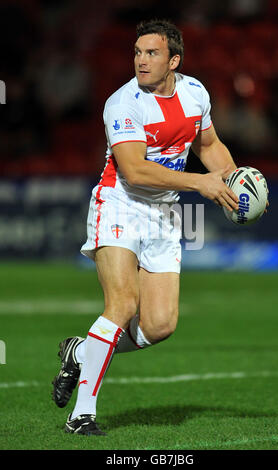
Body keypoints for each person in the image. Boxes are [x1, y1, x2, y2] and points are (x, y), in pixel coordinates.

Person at [52, 19, 239, 435]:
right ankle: (82, 415)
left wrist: (233, 181)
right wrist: (201, 184)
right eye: (137, 52)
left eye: (152, 53)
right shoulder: (124, 103)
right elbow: (135, 171)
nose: (141, 60)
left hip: (165, 213)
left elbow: (208, 146)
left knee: (159, 325)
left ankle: (81, 353)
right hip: (120, 203)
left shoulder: (194, 93)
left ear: (174, 60)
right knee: (122, 305)